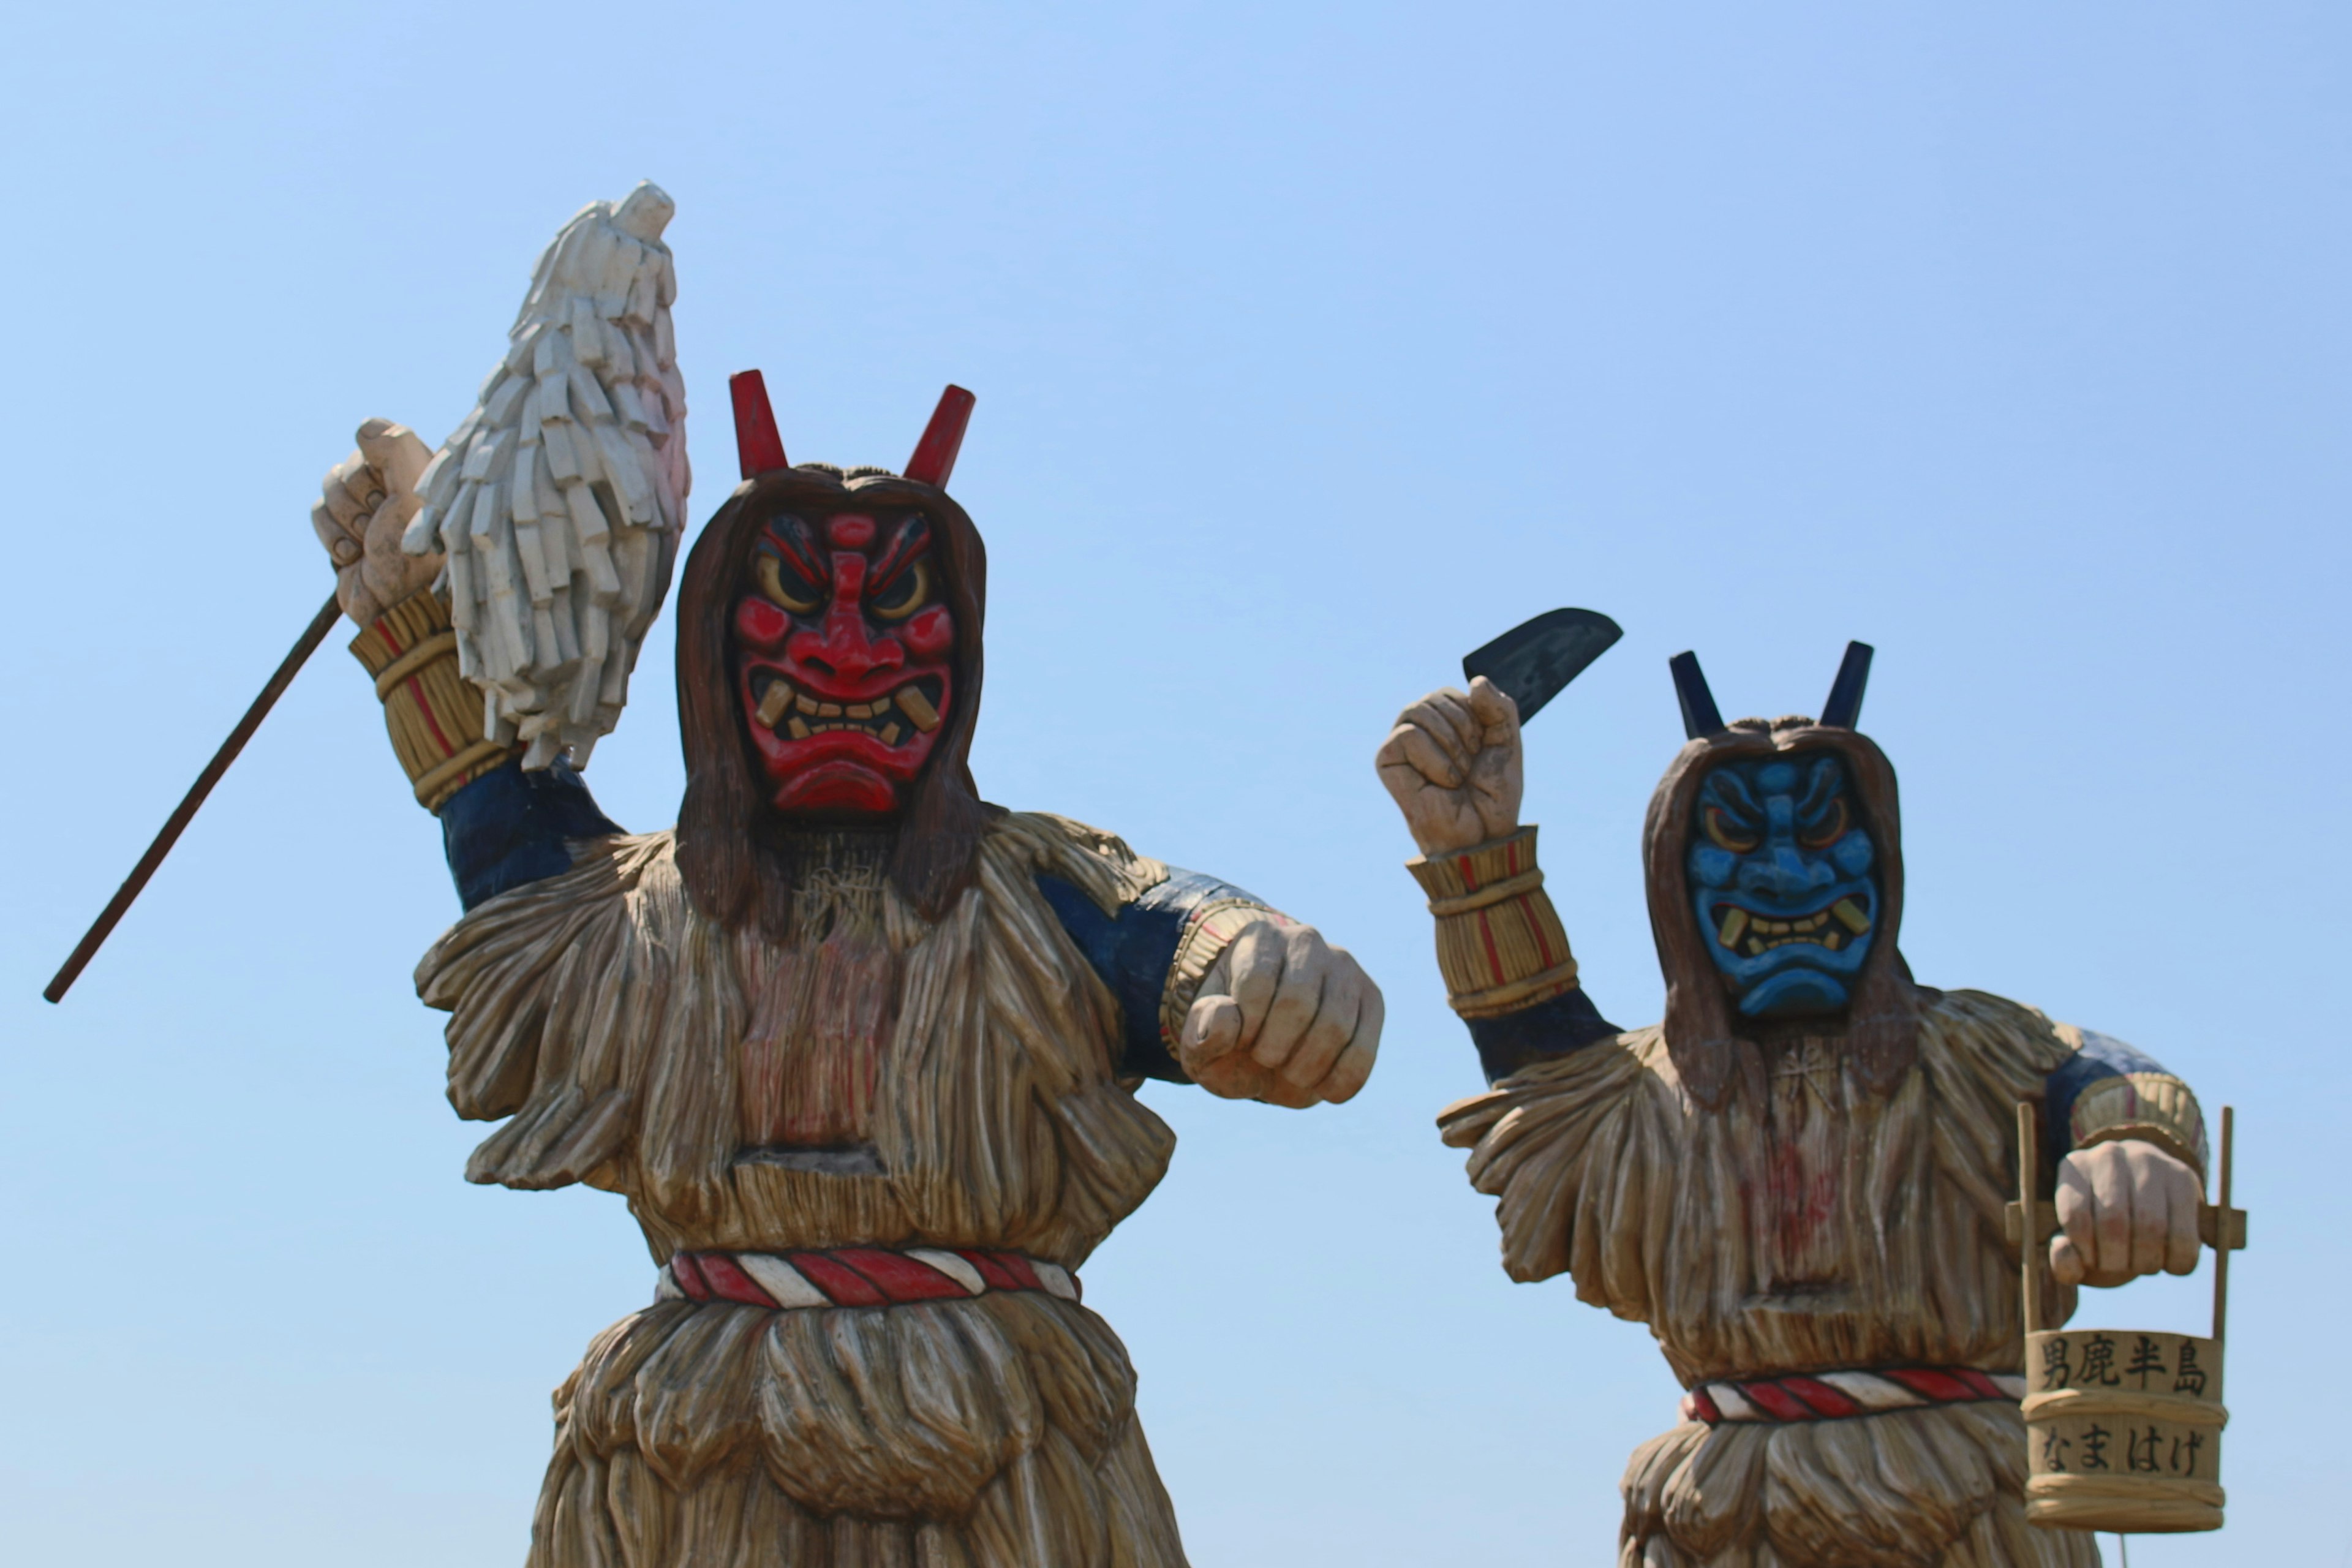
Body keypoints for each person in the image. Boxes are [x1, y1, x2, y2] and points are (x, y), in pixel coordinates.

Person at [306, 374, 1381, 1566]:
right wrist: (417, 612)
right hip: (688, 1453)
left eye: (901, 606)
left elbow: (1160, 929)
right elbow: (511, 837)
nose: (848, 650)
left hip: (1005, 1449)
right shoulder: (634, 914)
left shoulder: (1025, 893)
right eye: (795, 599)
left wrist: (1260, 961)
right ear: (714, 652)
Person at [1376, 651, 2205, 1567]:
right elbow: (1540, 1068)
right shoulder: (1642, 1096)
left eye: (1822, 830)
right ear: (1669, 883)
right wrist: (1474, 858)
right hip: (1717, 1510)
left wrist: (2132, 1143)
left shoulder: (1976, 1052)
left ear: (1884, 855)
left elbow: (2098, 1077)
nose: (1783, 875)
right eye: (1732, 835)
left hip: (1969, 1500)